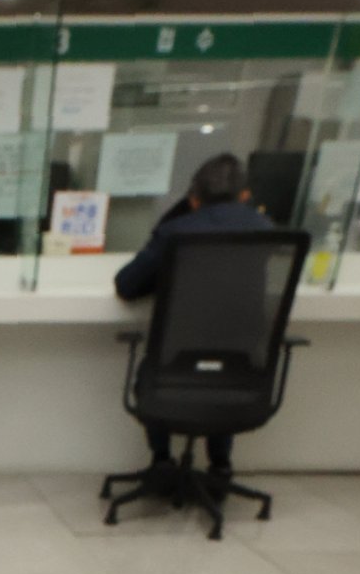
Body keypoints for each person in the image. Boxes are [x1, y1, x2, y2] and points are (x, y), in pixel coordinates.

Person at [114, 152, 272, 479]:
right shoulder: (266, 232)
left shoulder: (175, 233)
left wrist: (179, 215)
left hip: (172, 377)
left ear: (194, 199)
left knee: (161, 366)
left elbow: (127, 285)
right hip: (242, 378)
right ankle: (220, 466)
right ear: (245, 196)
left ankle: (161, 461)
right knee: (226, 359)